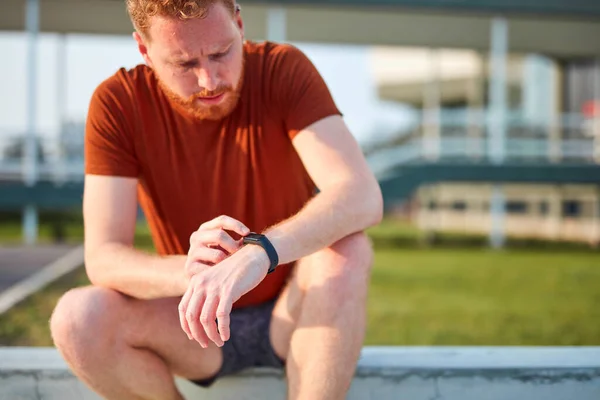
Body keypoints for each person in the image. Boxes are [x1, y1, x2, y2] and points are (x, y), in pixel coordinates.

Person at [49, 1, 383, 399]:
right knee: (76, 318)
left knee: (348, 250)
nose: (209, 80)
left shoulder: (282, 68)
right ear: (143, 49)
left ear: (239, 25)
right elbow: (103, 257)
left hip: (294, 310)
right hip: (193, 326)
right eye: (184, 64)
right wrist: (195, 274)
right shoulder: (118, 103)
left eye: (222, 53)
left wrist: (259, 253)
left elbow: (361, 194)